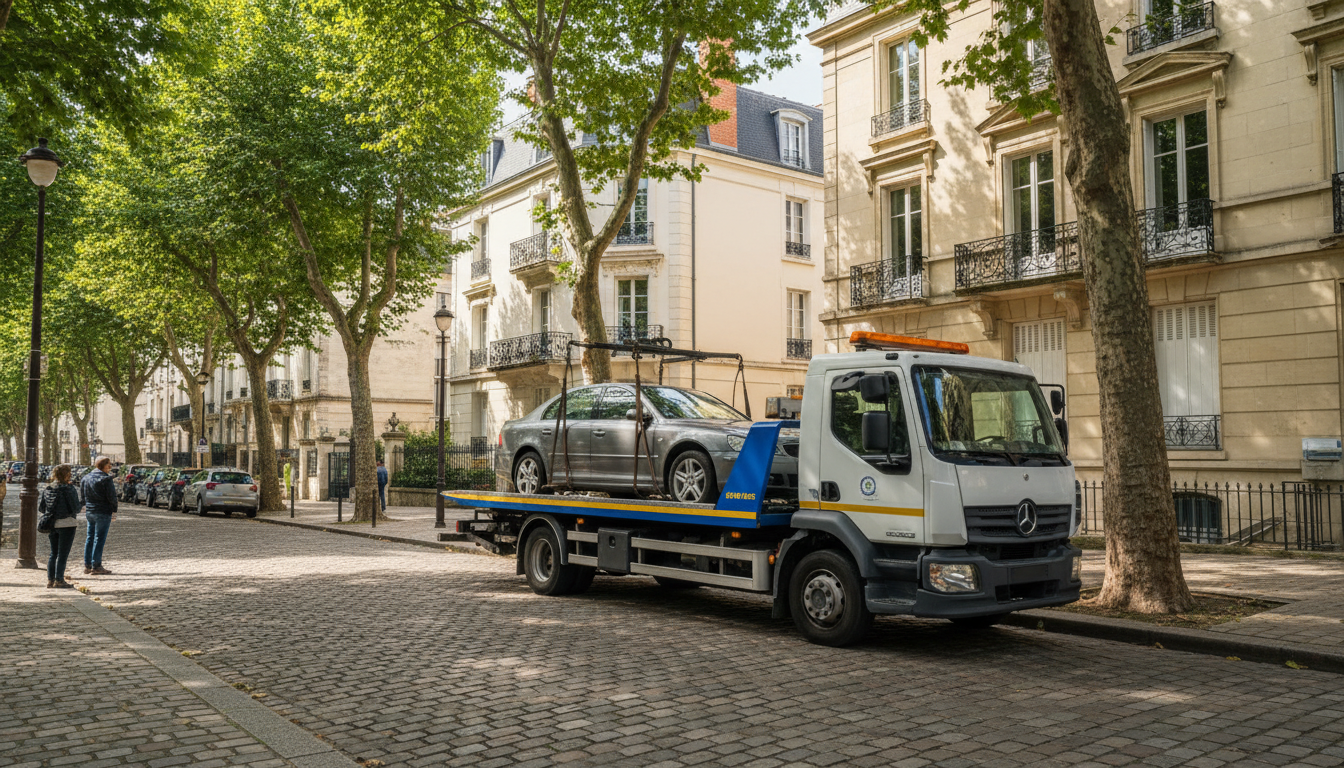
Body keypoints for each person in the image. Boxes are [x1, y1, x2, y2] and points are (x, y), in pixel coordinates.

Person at [40, 464, 81, 588]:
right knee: (63, 554)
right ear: (67, 474)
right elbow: (76, 508)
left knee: (53, 553)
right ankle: (59, 580)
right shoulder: (69, 489)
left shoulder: (48, 488)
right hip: (67, 523)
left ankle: (50, 580)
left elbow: (42, 508)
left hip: (52, 523)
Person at [81, 456, 118, 575]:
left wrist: (84, 506)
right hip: (103, 511)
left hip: (90, 511)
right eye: (109, 464)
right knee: (99, 538)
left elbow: (82, 495)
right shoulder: (106, 479)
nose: (110, 467)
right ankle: (96, 565)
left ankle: (87, 565)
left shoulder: (86, 478)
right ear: (103, 465)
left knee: (90, 537)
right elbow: (112, 497)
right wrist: (114, 510)